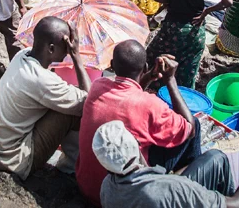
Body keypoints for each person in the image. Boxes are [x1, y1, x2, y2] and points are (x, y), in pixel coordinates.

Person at [76, 40, 198, 205]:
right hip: (122, 197)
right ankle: (185, 188)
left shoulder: (98, 86)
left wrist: (150, 76)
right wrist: (170, 81)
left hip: (87, 186)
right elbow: (189, 129)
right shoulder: (149, 104)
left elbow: (128, 92)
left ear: (112, 65)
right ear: (145, 66)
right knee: (195, 124)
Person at [0, 16, 90, 179]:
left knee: (69, 97)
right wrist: (77, 57)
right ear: (51, 49)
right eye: (65, 47)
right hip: (11, 160)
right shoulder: (42, 80)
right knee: (75, 112)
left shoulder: (22, 55)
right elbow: (89, 103)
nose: (68, 51)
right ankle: (70, 167)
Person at [94, 121, 239, 208]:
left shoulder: (107, 187)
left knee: (214, 158)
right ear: (136, 145)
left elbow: (165, 187)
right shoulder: (169, 190)